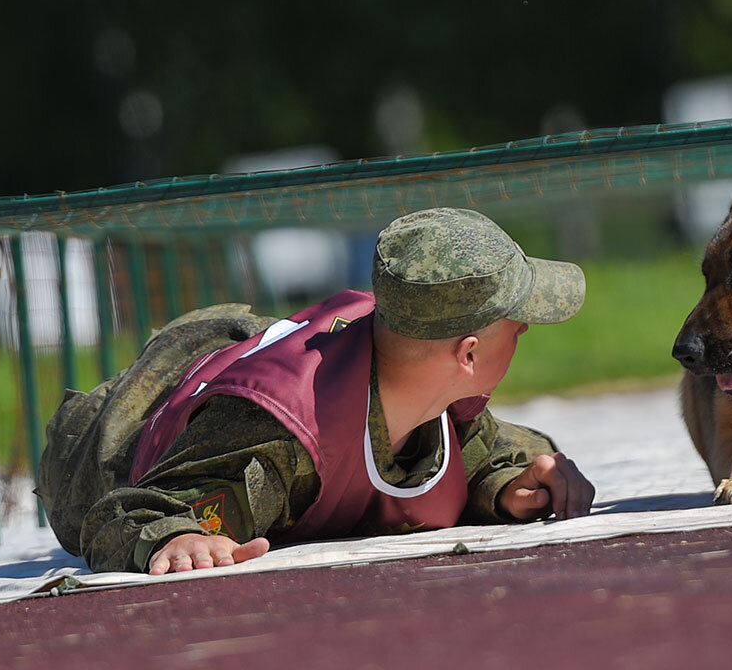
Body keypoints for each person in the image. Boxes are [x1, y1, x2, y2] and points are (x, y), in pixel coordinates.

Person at [36, 207, 595, 574]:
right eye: (517, 325)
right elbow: (121, 513)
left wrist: (506, 484)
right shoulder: (274, 444)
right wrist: (171, 538)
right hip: (120, 434)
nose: (524, 331)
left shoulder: (425, 383)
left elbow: (474, 450)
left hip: (267, 359)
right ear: (467, 355)